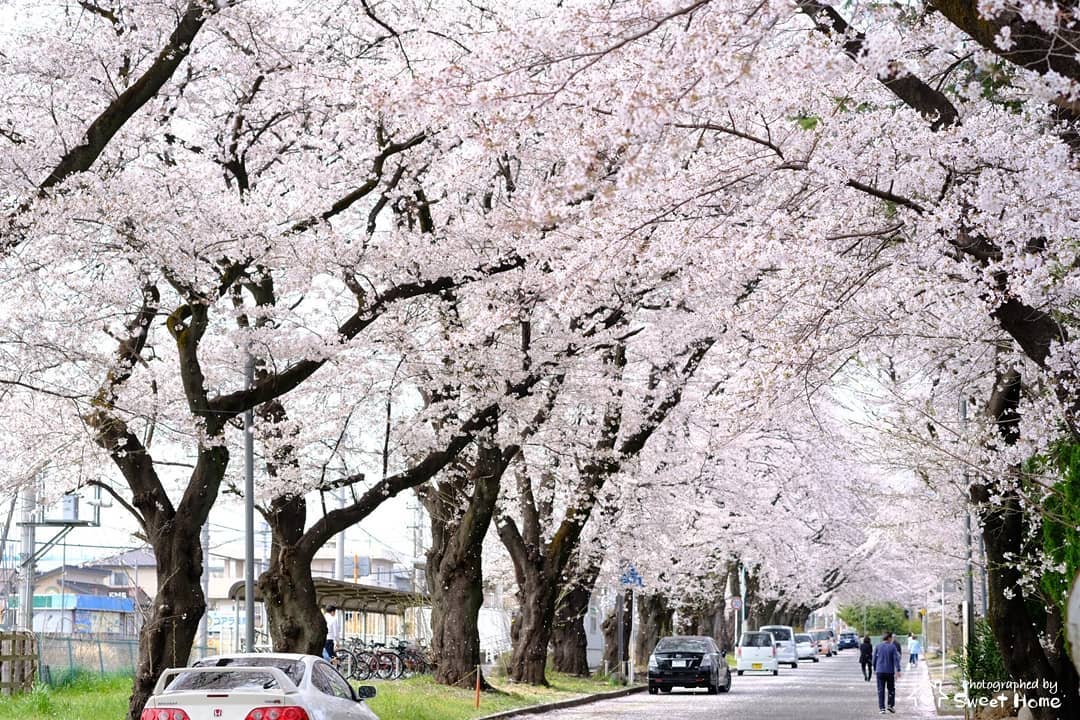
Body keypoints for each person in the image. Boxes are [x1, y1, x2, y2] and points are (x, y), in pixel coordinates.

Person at [873, 631, 902, 714]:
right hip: (889, 672)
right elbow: (896, 659)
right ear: (889, 638)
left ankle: (882, 708)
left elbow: (874, 659)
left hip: (880, 671)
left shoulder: (878, 646)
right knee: (891, 689)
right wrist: (898, 670)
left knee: (880, 690)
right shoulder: (892, 647)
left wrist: (874, 668)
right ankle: (890, 705)